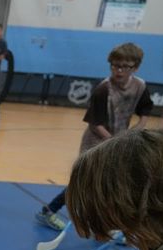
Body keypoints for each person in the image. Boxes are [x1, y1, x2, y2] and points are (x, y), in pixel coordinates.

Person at [35, 43, 153, 231]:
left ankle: (106, 223)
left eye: (125, 66)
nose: (119, 71)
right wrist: (116, 142)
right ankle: (48, 211)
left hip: (119, 140)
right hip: (97, 141)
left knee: (112, 182)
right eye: (114, 65)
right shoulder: (103, 89)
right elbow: (95, 124)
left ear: (136, 67)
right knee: (86, 181)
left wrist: (139, 127)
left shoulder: (140, 86)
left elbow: (145, 109)